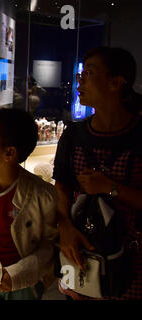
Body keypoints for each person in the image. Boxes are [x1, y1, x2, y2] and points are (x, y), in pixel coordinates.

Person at [53, 47, 142, 300]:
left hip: (131, 261)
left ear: (116, 82)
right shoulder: (73, 135)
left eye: (88, 73)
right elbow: (62, 189)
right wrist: (65, 227)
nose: (80, 80)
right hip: (81, 251)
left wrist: (110, 187)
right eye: (81, 74)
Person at [0, 108, 58, 300]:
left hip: (22, 285)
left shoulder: (43, 195)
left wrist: (16, 275)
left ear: (9, 153)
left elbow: (50, 244)